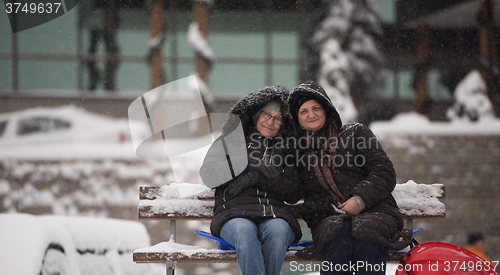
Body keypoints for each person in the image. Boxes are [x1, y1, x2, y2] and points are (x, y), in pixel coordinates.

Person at [287, 81, 411, 275]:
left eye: (316, 108)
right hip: (329, 217)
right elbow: (291, 191)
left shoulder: (356, 133)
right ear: (297, 118)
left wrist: (359, 200)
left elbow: (384, 171)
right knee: (336, 234)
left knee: (367, 232)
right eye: (303, 111)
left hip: (376, 210)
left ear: (327, 110)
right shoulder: (297, 152)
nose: (311, 115)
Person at [200, 86, 302, 275]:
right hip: (233, 214)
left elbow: (294, 192)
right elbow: (209, 174)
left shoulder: (287, 149)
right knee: (244, 232)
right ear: (256, 115)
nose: (270, 122)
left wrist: (262, 179)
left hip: (275, 215)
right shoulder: (229, 141)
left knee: (278, 232)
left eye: (277, 118)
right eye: (266, 115)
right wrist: (247, 166)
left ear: (283, 123)